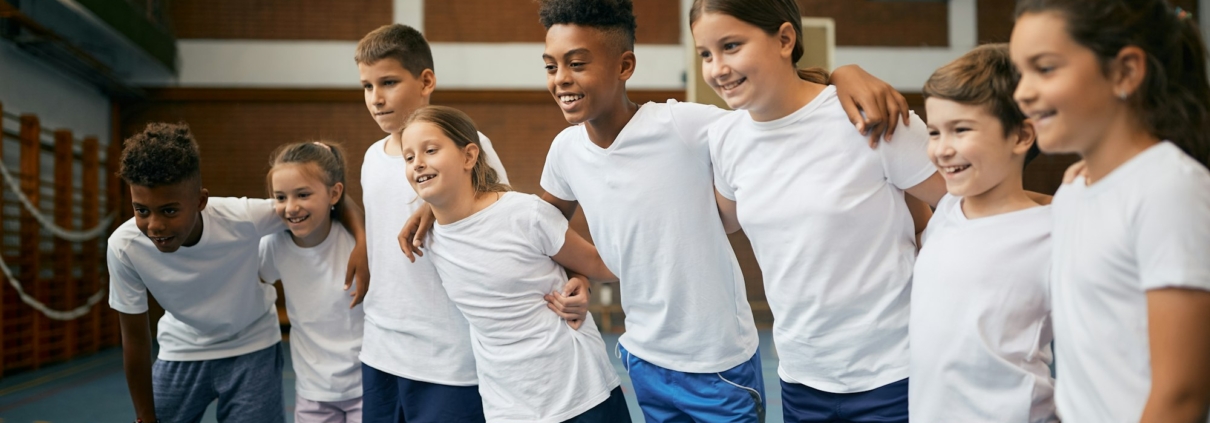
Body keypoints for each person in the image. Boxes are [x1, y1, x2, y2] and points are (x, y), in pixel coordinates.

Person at [692, 0, 949, 421]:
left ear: (785, 39)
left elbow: (964, 203)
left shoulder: (867, 116)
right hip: (800, 379)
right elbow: (722, 221)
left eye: (732, 46)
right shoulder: (725, 139)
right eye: (706, 54)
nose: (717, 67)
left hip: (893, 375)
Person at [1011, 1, 1210, 421]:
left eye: (1044, 68)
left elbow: (1181, 395)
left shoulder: (1168, 188)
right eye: (1020, 72)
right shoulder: (1073, 192)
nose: (1022, 92)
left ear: (1125, 72)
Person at [108, 122, 368, 423]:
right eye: (141, 210)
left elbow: (331, 200)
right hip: (182, 348)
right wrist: (144, 417)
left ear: (201, 202)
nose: (154, 225)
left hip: (253, 346)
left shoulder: (243, 217)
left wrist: (361, 243)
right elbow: (135, 340)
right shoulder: (124, 247)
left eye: (169, 211)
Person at [401, 105, 629, 422]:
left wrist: (585, 280)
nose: (418, 163)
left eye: (430, 150)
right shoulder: (430, 239)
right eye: (409, 157)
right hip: (508, 405)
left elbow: (599, 264)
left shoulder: (525, 214)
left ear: (469, 157)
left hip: (580, 392)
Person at [909, 43, 1056, 423]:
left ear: (1022, 137)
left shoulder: (1056, 232)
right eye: (934, 132)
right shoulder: (945, 211)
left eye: (960, 130)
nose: (942, 149)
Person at [260, 141, 365, 422]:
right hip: (313, 392)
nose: (291, 207)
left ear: (334, 194)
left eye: (303, 194)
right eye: (280, 197)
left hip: (366, 387)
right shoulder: (273, 246)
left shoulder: (356, 244)